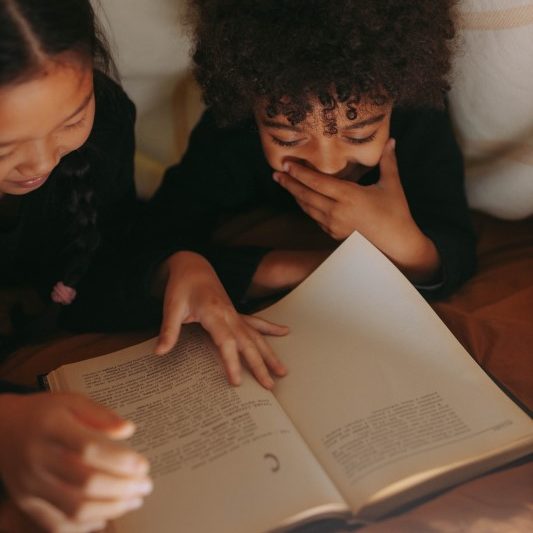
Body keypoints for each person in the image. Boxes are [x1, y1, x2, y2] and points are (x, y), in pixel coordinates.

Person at [0, 0, 286, 531]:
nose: (41, 163)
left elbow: (94, 264)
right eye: (2, 149)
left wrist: (176, 267)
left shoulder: (103, 125)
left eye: (71, 119)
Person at [147, 0, 476, 313]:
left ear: (397, 98)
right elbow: (153, 240)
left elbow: (455, 245)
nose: (328, 165)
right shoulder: (231, 134)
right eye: (288, 138)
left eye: (360, 135)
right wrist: (309, 268)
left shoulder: (416, 117)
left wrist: (405, 245)